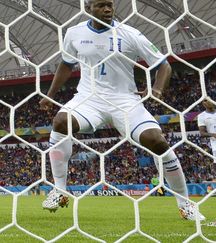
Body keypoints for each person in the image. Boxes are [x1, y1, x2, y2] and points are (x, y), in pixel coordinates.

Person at [39, 0, 204, 221]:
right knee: (61, 121)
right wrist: (50, 95)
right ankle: (59, 190)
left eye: (110, 5)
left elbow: (163, 65)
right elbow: (66, 65)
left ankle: (186, 204)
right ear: (89, 8)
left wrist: (157, 89)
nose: (107, 9)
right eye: (101, 5)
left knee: (157, 141)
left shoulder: (130, 34)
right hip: (89, 99)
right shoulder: (73, 33)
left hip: (125, 101)